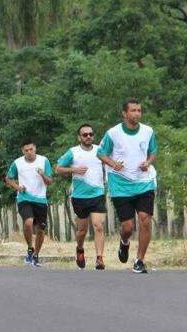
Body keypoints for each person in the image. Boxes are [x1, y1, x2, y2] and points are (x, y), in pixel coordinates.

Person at [97, 99, 158, 274]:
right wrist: (113, 163)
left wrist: (148, 162)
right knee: (127, 227)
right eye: (133, 110)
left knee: (145, 220)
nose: (137, 113)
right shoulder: (113, 133)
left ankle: (139, 260)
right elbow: (100, 153)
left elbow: (153, 151)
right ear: (125, 113)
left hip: (143, 182)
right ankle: (124, 242)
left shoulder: (148, 131)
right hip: (120, 183)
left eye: (139, 110)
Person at [56, 124, 107, 270]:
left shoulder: (100, 150)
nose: (88, 137)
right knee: (82, 231)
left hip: (98, 194)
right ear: (79, 137)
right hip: (79, 196)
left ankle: (99, 259)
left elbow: (110, 163)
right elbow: (58, 169)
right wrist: (74, 169)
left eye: (91, 134)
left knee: (98, 226)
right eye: (85, 135)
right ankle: (79, 248)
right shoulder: (73, 152)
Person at [5, 140, 53, 267]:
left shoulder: (44, 161)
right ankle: (30, 248)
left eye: (31, 149)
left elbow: (49, 181)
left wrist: (42, 174)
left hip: (41, 199)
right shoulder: (18, 163)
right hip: (24, 198)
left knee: (40, 230)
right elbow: (8, 178)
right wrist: (17, 187)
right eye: (26, 150)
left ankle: (36, 255)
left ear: (35, 148)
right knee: (28, 222)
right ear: (23, 151)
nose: (29, 152)